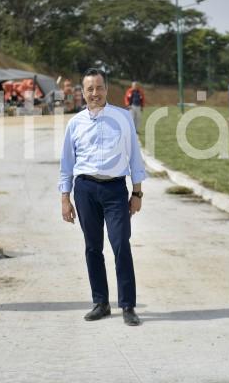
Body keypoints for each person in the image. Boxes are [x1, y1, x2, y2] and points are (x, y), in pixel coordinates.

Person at [59, 68, 147, 327]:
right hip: (85, 190)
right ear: (83, 92)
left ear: (106, 89)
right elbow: (66, 163)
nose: (94, 93)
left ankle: (128, 305)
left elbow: (135, 157)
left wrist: (137, 192)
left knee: (121, 244)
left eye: (99, 88)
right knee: (92, 247)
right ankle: (101, 303)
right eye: (90, 89)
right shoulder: (75, 123)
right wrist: (65, 197)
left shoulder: (123, 118)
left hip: (115, 190)